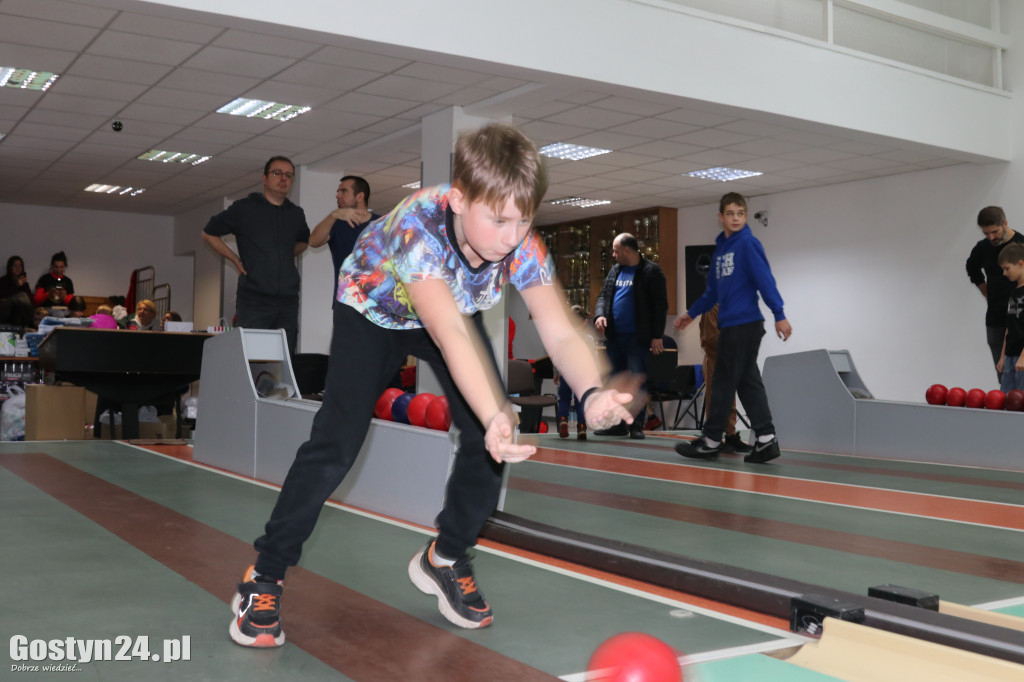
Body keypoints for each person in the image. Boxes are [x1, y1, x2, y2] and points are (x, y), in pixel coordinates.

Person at [228, 123, 636, 648]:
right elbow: (450, 337)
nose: (513, 236)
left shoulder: (519, 242)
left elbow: (558, 328)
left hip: (450, 314)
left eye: (524, 220)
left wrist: (592, 391)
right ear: (462, 199)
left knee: (491, 441)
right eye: (499, 220)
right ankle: (264, 575)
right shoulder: (420, 226)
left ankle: (445, 556)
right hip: (371, 309)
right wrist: (494, 412)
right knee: (337, 443)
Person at [674, 192, 791, 464]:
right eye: (730, 213)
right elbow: (712, 292)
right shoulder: (721, 251)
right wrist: (691, 314)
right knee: (748, 382)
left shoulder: (748, 244)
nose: (735, 218)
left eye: (740, 213)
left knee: (723, 381)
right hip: (734, 326)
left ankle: (712, 440)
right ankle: (766, 440)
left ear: (746, 216)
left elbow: (765, 280)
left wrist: (779, 314)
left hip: (744, 324)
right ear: (721, 217)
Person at [202, 156, 310, 355]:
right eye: (277, 173)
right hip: (254, 301)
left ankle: (279, 388)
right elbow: (208, 233)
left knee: (284, 359)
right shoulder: (245, 208)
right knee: (252, 357)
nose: (283, 179)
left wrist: (285, 254)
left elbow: (304, 241)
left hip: (287, 302)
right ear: (265, 178)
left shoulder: (296, 214)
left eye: (288, 175)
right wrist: (235, 259)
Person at [592, 232, 668, 440]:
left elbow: (660, 306)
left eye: (616, 251)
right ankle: (617, 424)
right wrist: (600, 315)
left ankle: (636, 425)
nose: (613, 255)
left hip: (637, 338)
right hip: (615, 337)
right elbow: (603, 297)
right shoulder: (615, 271)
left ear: (627, 251)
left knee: (635, 382)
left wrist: (656, 335)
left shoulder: (651, 272)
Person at [966, 206, 1024, 380]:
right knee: (1004, 377)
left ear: (1005, 223)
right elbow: (972, 268)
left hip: (1020, 320)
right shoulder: (983, 248)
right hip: (996, 319)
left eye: (995, 232)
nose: (991, 237)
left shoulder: (1021, 245)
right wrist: (986, 293)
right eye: (986, 233)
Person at [308, 175, 380, 306]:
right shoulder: (336, 224)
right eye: (338, 191)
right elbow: (313, 241)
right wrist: (333, 215)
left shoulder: (381, 224)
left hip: (377, 304)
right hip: (346, 302)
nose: (338, 195)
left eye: (344, 191)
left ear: (359, 196)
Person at [698, 304, 751, 455]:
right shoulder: (711, 307)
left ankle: (730, 436)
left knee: (730, 399)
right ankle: (713, 439)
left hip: (731, 359)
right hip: (716, 358)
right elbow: (709, 338)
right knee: (715, 399)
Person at [555, 305, 593, 440]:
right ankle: (582, 428)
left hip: (566, 372)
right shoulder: (589, 338)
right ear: (585, 322)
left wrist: (556, 373)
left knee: (564, 398)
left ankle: (564, 420)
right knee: (581, 401)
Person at [996, 243, 1024, 393]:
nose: (1005, 273)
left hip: (1022, 357)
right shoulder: (1014, 292)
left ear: (1020, 264)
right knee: (1006, 400)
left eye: (1007, 268)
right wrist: (1002, 357)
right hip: (1010, 356)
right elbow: (1010, 327)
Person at [0, 255, 34, 328]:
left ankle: (24, 328)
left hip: (17, 311)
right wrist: (17, 285)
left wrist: (21, 285)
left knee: (21, 303)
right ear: (10, 267)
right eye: (15, 266)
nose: (17, 268)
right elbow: (3, 298)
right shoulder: (3, 281)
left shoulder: (24, 283)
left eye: (20, 266)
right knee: (22, 295)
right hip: (5, 310)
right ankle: (32, 321)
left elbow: (30, 299)